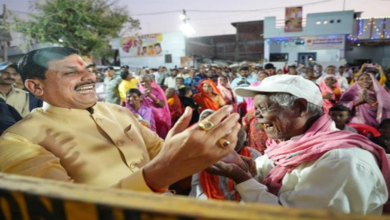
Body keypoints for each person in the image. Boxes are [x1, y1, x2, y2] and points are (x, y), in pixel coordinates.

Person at [0, 46, 241, 195]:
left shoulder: (118, 112)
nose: (89, 77)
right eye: (70, 72)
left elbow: (163, 154)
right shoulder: (19, 141)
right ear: (35, 86)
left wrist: (217, 162)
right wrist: (159, 175)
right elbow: (65, 210)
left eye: (88, 69)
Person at [207, 75, 390, 214]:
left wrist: (241, 177)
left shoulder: (340, 160)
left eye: (264, 108)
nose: (257, 116)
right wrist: (243, 167)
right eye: (256, 109)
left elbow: (292, 216)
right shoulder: (287, 145)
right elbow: (263, 172)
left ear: (300, 108)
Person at [190, 126, 261, 201]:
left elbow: (256, 183)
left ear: (244, 142)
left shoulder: (253, 155)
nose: (231, 144)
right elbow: (198, 186)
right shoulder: (206, 154)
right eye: (228, 140)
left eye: (236, 141)